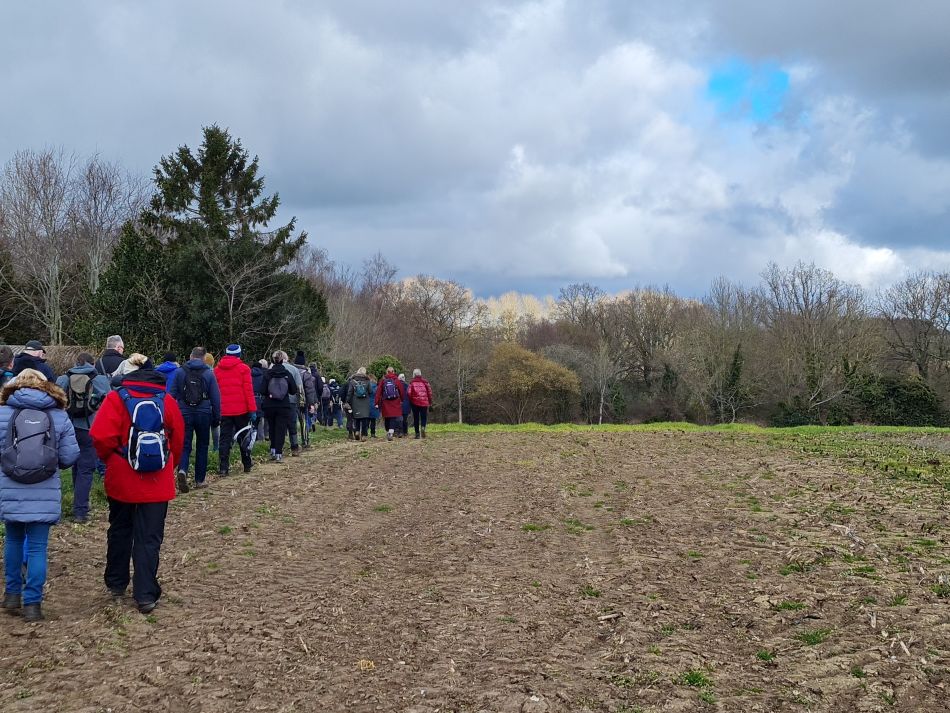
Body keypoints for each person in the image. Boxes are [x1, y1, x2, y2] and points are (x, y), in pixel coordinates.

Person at [90, 360, 184, 614]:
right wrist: (169, 463)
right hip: (157, 480)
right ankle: (145, 594)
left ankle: (116, 582)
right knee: (149, 537)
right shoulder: (166, 401)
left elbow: (100, 436)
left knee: (120, 529)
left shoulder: (115, 399)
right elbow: (178, 438)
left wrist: (111, 459)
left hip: (121, 477)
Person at [0, 369, 80, 622]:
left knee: (13, 541)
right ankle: (32, 604)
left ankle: (12, 594)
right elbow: (69, 456)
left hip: (10, 487)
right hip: (44, 489)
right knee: (37, 548)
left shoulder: (2, 413)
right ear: (46, 387)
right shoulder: (58, 415)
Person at [55, 353, 111, 522]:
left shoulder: (64, 378)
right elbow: (109, 401)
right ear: (92, 364)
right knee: (86, 469)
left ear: (75, 363)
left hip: (68, 427)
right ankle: (80, 510)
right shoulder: (99, 379)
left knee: (75, 465)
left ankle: (76, 503)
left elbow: (56, 400)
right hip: (89, 428)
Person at [169, 347, 221, 492]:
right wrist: (217, 417)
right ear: (204, 358)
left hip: (184, 412)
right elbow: (216, 398)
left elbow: (171, 395)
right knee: (202, 445)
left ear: (190, 356)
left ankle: (183, 470)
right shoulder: (209, 373)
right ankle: (200, 480)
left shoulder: (180, 372)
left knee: (185, 445)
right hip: (204, 413)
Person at [213, 345, 257, 476]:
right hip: (241, 410)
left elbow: (215, 392)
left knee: (224, 439)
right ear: (239, 354)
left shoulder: (217, 370)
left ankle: (223, 467)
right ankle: (247, 464)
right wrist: (252, 410)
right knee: (244, 438)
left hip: (224, 410)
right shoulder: (244, 369)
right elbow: (248, 391)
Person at [261, 351, 298, 462]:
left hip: (269, 405)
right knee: (281, 429)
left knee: (272, 427)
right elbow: (293, 390)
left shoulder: (268, 374)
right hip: (283, 405)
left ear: (272, 360)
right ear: (283, 360)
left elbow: (262, 390)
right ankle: (279, 453)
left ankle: (272, 450)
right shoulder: (287, 373)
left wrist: (270, 394)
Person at [375, 367, 406, 442]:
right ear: (393, 371)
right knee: (393, 417)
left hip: (385, 402)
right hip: (395, 401)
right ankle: (391, 432)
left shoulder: (383, 381)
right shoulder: (397, 380)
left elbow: (378, 392)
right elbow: (401, 391)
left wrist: (376, 402)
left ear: (387, 372)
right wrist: (402, 399)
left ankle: (388, 431)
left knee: (387, 417)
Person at [293, 352, 317, 444]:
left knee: (292, 421)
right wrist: (311, 403)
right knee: (303, 421)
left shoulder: (290, 371)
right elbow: (309, 390)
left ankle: (293, 442)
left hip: (290, 400)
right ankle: (305, 440)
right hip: (302, 401)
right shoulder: (306, 374)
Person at [346, 368, 373, 441]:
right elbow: (370, 391)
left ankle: (357, 431)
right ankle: (364, 435)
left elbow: (350, 392)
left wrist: (347, 401)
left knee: (356, 417)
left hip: (355, 401)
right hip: (365, 402)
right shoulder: (367, 381)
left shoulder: (352, 381)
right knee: (364, 418)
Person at [408, 368, 434, 439]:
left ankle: (417, 434)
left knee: (416, 418)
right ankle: (423, 428)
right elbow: (429, 392)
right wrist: (430, 402)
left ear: (414, 374)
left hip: (414, 402)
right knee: (423, 416)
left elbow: (409, 393)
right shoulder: (425, 382)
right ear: (420, 374)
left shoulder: (412, 382)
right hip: (424, 402)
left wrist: (411, 400)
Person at [251, 358, 268, 441]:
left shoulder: (248, 375)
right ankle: (260, 437)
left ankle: (251, 437)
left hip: (250, 398)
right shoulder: (263, 376)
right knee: (260, 419)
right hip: (259, 398)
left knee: (250, 419)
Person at [398, 373, 412, 437]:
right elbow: (410, 395)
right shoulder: (408, 386)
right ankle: (405, 432)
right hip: (406, 404)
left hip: (399, 404)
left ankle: (400, 431)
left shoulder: (397, 385)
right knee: (405, 419)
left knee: (399, 419)